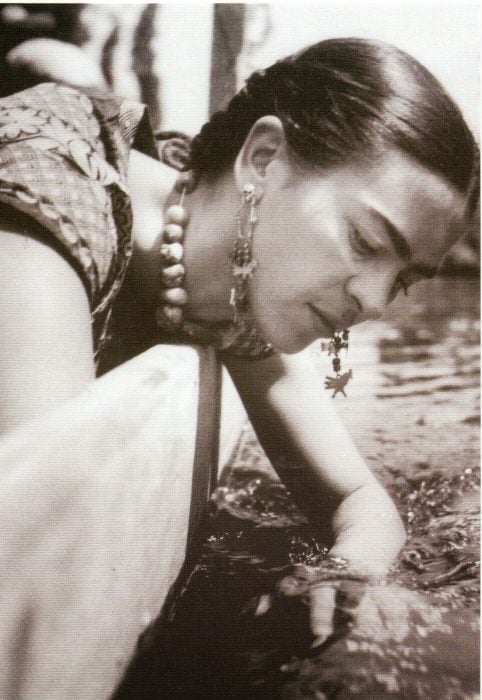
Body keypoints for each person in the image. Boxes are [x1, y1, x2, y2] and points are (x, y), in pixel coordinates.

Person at [0, 36, 478, 687]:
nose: (372, 302)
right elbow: (41, 580)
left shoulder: (234, 287)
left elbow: (363, 501)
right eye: (365, 241)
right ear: (263, 159)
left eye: (404, 281)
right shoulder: (37, 223)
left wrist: (349, 573)